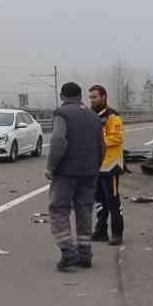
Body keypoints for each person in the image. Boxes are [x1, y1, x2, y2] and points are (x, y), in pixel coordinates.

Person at [46, 83, 105, 271]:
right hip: (89, 173)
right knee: (84, 211)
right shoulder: (94, 116)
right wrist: (94, 166)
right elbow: (102, 147)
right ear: (80, 96)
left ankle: (68, 252)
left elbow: (57, 141)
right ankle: (85, 254)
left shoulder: (62, 113)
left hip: (66, 172)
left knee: (59, 210)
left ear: (62, 95)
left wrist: (51, 167)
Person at [89, 85, 125, 245]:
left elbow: (117, 138)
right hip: (96, 167)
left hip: (111, 167)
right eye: (90, 97)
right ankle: (101, 230)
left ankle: (117, 233)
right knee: (99, 201)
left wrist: (97, 142)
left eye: (94, 97)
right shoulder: (90, 115)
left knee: (113, 201)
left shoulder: (113, 116)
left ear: (104, 97)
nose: (92, 100)